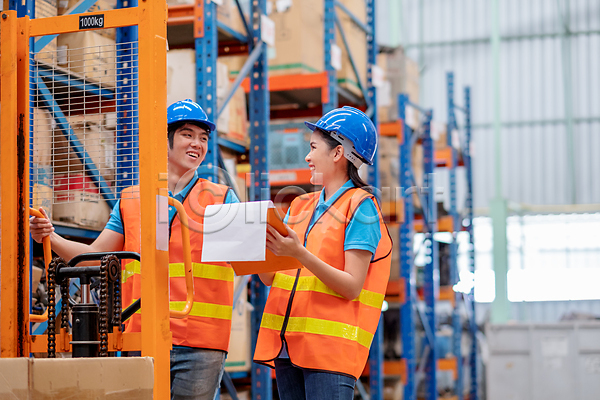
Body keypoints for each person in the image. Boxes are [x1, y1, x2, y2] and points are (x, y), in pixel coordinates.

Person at [30, 99, 239, 400]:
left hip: (200, 341)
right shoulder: (131, 199)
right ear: (163, 139)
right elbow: (95, 256)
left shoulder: (222, 199)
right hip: (141, 335)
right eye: (187, 134)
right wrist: (51, 237)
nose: (197, 144)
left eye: (203, 138)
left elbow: (251, 258)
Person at [253, 106, 393, 399]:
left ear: (338, 153)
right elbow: (270, 277)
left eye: (313, 147)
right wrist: (245, 250)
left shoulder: (361, 207)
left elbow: (352, 286)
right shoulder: (300, 206)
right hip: (288, 347)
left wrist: (300, 254)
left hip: (330, 353)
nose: (307, 157)